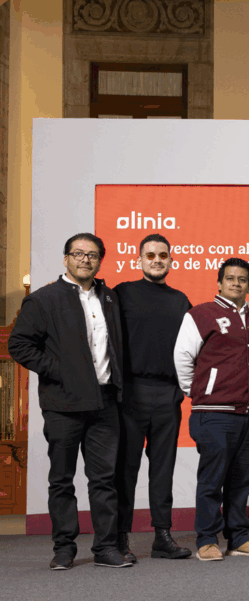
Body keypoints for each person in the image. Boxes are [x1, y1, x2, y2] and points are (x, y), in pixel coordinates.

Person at [9, 233, 130, 570]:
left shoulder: (110, 298)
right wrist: (60, 371)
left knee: (104, 480)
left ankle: (106, 547)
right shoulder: (44, 299)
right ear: (66, 259)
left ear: (100, 261)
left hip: (105, 402)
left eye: (92, 255)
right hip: (63, 404)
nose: (85, 259)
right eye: (78, 253)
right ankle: (64, 548)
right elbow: (19, 345)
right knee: (61, 479)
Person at [173, 258, 249, 561]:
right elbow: (182, 357)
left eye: (242, 279)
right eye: (230, 278)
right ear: (219, 282)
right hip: (214, 413)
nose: (236, 283)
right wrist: (200, 392)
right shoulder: (201, 314)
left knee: (243, 480)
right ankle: (206, 539)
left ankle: (238, 537)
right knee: (212, 479)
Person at [113, 234, 193, 563]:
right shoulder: (121, 293)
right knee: (125, 470)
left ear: (171, 260)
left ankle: (162, 537)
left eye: (162, 255)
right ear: (139, 260)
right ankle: (119, 538)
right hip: (130, 394)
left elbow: (192, 349)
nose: (157, 260)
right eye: (150, 255)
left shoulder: (180, 300)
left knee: (163, 470)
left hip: (168, 395)